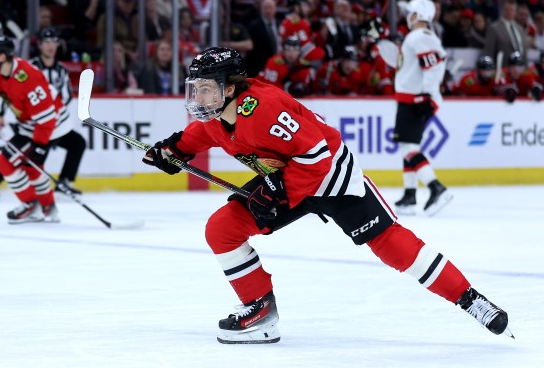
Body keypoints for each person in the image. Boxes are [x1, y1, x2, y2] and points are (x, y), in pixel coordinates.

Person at [141, 46, 512, 344]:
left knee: (389, 244)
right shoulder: (220, 116)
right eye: (196, 88)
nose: (197, 96)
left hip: (332, 175)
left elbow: (316, 155)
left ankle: (470, 299)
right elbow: (204, 135)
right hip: (283, 180)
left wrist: (279, 194)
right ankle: (260, 311)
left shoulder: (264, 109)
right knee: (222, 228)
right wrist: (174, 150)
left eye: (205, 87)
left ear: (231, 88)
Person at [0, 35, 71, 223]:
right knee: (31, 165)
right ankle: (48, 207)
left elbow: (46, 119)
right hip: (30, 124)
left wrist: (39, 145)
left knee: (6, 162)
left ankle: (31, 205)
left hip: (53, 124)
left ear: (2, 57)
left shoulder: (28, 77)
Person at [0, 28, 85, 201]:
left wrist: (51, 114)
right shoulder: (27, 67)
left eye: (54, 42)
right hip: (34, 122)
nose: (51, 46)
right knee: (21, 152)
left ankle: (63, 183)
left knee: (76, 143)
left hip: (52, 121)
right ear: (40, 46)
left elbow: (66, 97)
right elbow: (9, 91)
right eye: (47, 43)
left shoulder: (61, 70)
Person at [393, 0, 452, 216]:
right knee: (406, 146)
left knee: (409, 148)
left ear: (417, 15)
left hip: (417, 98)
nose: (407, 16)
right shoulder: (419, 36)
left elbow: (434, 67)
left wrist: (426, 95)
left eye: (410, 12)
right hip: (412, 97)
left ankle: (436, 188)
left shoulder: (420, 36)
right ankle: (410, 194)